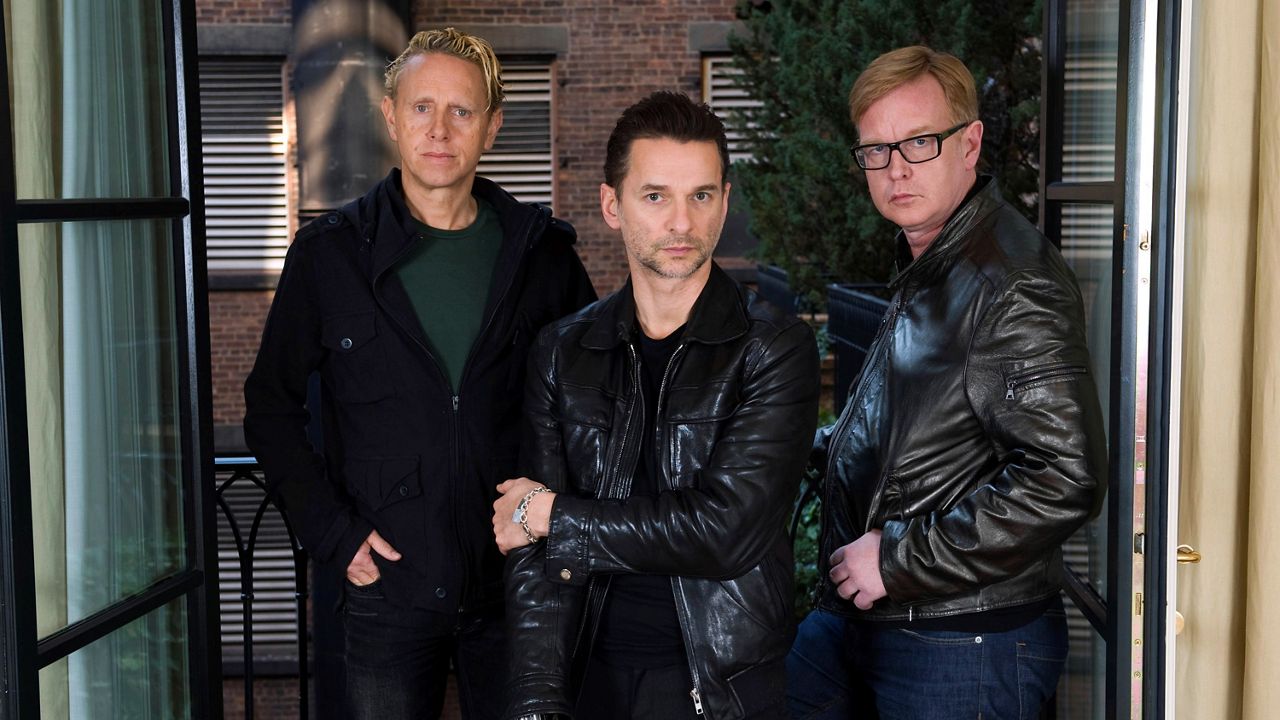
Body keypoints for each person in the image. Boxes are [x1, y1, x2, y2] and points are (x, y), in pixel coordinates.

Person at [243, 28, 595, 720]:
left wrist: (561, 523)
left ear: (492, 127)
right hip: (386, 591)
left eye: (462, 111)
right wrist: (332, 533)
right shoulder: (329, 255)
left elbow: (595, 407)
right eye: (422, 108)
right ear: (391, 118)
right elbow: (270, 408)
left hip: (518, 586)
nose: (439, 129)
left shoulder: (541, 255)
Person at [786, 46, 1107, 719]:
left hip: (963, 641)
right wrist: (794, 447)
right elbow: (921, 422)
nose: (896, 168)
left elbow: (1065, 475)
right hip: (878, 618)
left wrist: (898, 560)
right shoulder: (937, 258)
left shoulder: (1010, 282)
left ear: (970, 143)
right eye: (876, 150)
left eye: (919, 142)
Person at [490, 91, 820, 720]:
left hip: (720, 684)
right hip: (588, 674)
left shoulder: (772, 348)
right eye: (655, 196)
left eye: (701, 195)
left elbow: (725, 531)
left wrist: (556, 516)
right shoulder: (563, 351)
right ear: (611, 205)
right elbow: (530, 554)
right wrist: (536, 702)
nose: (681, 223)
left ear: (725, 201)